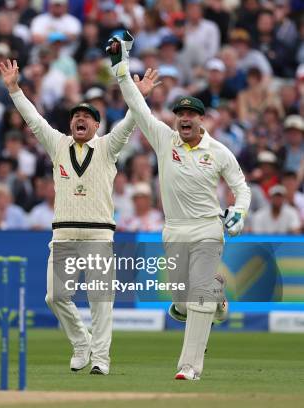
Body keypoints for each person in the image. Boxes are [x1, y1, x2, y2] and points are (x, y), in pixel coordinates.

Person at [0, 57, 157, 375]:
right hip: (64, 235)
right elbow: (34, 120)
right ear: (71, 124)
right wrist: (15, 89)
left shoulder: (108, 146)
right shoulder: (58, 144)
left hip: (99, 235)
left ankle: (101, 358)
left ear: (97, 125)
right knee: (55, 296)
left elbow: (132, 121)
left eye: (87, 117)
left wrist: (138, 95)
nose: (80, 120)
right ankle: (81, 343)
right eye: (77, 117)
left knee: (101, 301)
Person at [108, 32, 251, 381]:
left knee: (197, 297)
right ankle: (217, 296)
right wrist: (119, 67)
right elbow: (137, 106)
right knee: (183, 303)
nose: (184, 119)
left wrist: (239, 212)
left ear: (202, 120)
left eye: (191, 114)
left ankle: (189, 368)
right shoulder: (163, 139)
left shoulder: (218, 151)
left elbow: (241, 187)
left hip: (206, 228)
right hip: (174, 230)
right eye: (180, 113)